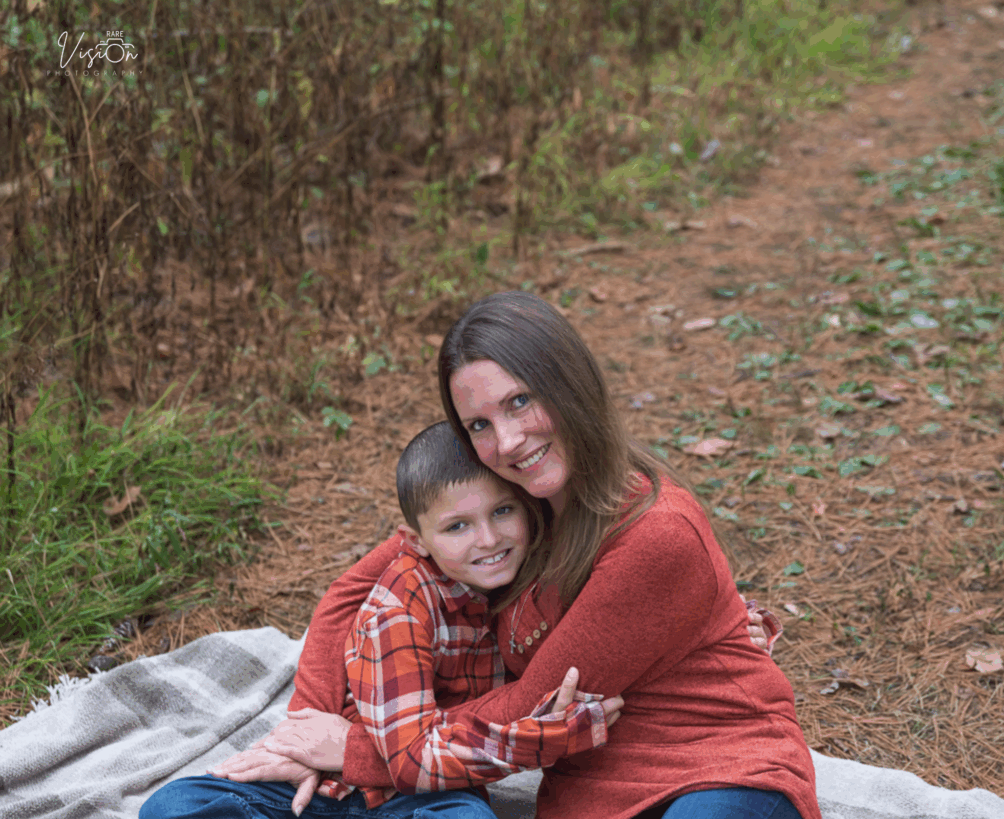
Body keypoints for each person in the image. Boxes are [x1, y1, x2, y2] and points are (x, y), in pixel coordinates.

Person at [215, 290, 813, 819]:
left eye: (521, 401)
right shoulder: (509, 507)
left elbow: (534, 708)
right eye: (478, 424)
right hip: (589, 789)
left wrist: (356, 751)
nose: (505, 441)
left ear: (570, 385)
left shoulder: (654, 534)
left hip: (721, 767)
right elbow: (348, 595)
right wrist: (301, 738)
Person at [140, 421, 623, 819]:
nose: (488, 538)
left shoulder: (529, 586)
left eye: (503, 511)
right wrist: (550, 740)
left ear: (529, 510)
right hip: (340, 785)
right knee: (175, 806)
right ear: (414, 541)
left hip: (429, 794)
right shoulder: (402, 604)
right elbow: (410, 755)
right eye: (457, 526)